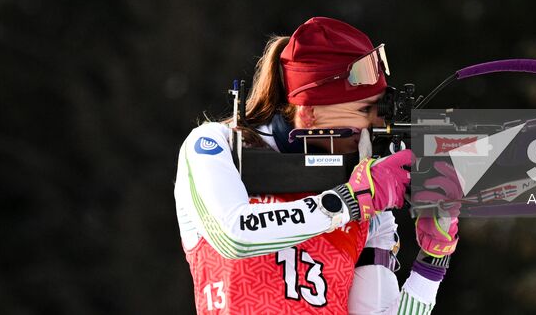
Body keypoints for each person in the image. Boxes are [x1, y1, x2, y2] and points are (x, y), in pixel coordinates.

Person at [175, 16, 461, 314]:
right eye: (364, 109)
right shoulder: (216, 145)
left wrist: (432, 262)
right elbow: (233, 237)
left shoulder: (366, 187)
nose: (376, 124)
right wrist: (350, 201)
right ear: (311, 114)